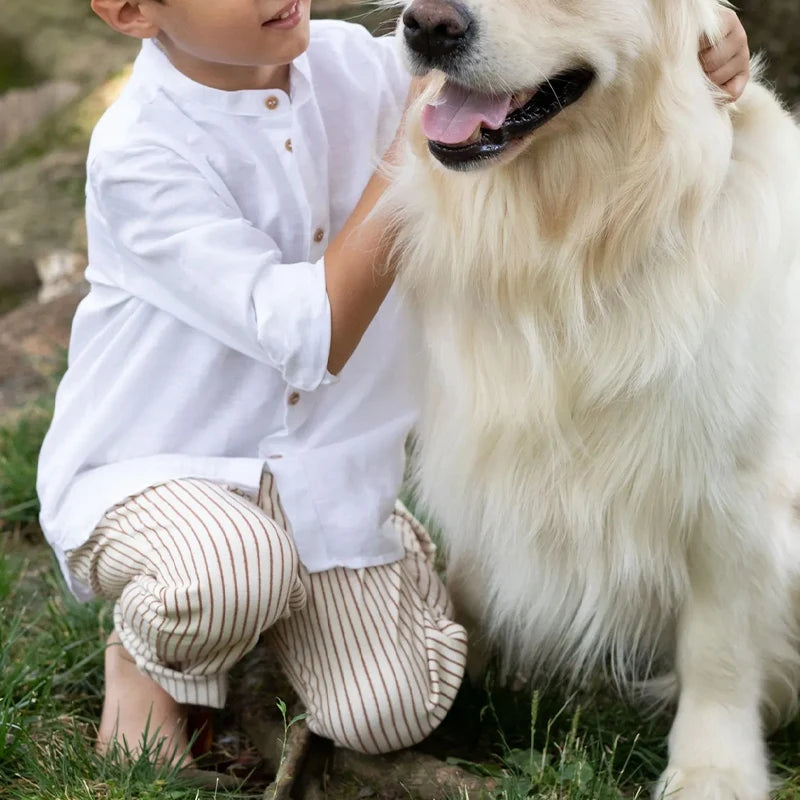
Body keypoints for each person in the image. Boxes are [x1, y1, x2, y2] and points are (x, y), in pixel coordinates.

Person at [36, 0, 752, 765]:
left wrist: (712, 30)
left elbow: (533, 42)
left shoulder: (353, 63)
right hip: (162, 469)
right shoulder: (138, 152)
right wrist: (412, 140)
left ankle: (287, 601)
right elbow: (310, 334)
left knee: (394, 707)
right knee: (229, 571)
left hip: (319, 483)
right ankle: (146, 654)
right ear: (133, 11)